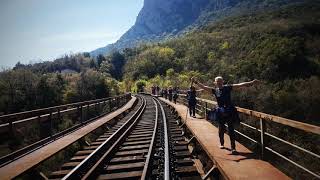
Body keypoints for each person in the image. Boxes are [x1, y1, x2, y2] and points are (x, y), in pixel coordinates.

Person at [191, 76, 261, 154]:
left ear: (223, 81)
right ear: (215, 83)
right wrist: (196, 82)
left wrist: (251, 82)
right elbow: (204, 87)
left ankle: (233, 148)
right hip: (220, 111)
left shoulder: (227, 88)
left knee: (231, 129)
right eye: (217, 81)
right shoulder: (215, 90)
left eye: (220, 81)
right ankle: (222, 143)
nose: (219, 83)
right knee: (221, 129)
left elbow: (240, 85)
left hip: (229, 110)